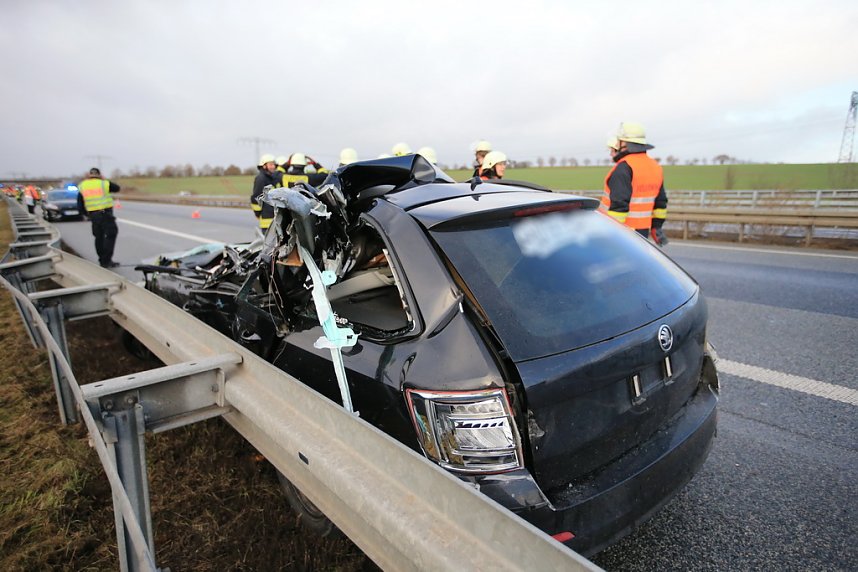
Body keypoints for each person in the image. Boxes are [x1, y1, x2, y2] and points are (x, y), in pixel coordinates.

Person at [600, 122, 668, 245]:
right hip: (643, 232)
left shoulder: (624, 168)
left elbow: (619, 207)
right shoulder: (655, 166)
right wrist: (656, 226)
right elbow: (661, 202)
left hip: (624, 233)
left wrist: (611, 234)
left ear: (625, 143)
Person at [77, 167, 121, 267]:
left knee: (98, 237)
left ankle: (102, 259)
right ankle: (106, 260)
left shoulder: (83, 185)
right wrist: (104, 179)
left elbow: (80, 203)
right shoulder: (103, 183)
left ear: (89, 175)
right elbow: (117, 188)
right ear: (99, 174)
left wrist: (87, 214)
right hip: (105, 214)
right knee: (111, 234)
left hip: (93, 215)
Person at [251, 154, 280, 231]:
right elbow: (256, 198)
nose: (273, 166)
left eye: (274, 164)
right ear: (264, 166)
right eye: (271, 164)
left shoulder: (272, 178)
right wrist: (258, 213)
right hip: (267, 220)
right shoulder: (261, 178)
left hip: (276, 219)